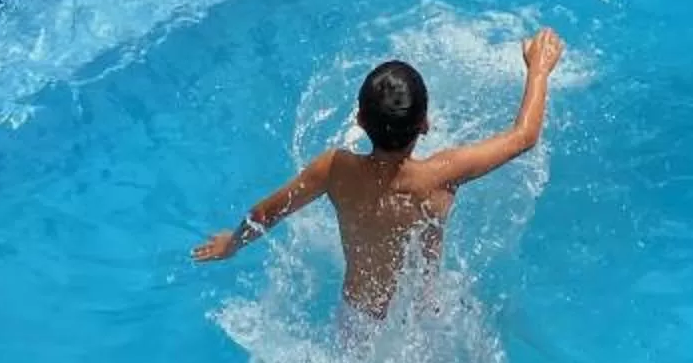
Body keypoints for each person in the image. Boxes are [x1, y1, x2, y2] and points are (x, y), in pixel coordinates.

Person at [195, 34, 565, 318]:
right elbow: (524, 137)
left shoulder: (334, 169)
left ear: (359, 121)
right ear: (424, 125)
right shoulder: (439, 176)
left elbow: (264, 214)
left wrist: (233, 244)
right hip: (422, 318)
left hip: (358, 317)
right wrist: (538, 69)